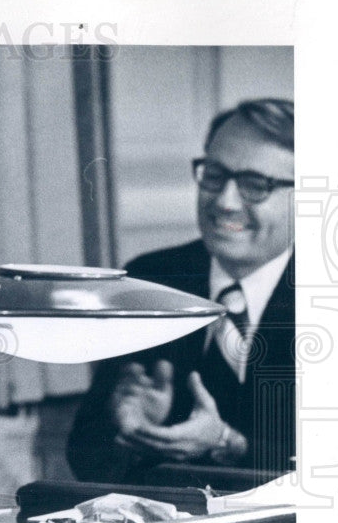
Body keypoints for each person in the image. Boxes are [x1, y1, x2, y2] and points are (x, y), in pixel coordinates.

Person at [67, 98, 295, 484]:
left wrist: (227, 442)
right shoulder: (151, 279)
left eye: (255, 185)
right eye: (214, 175)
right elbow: (85, 450)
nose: (225, 202)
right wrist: (131, 431)